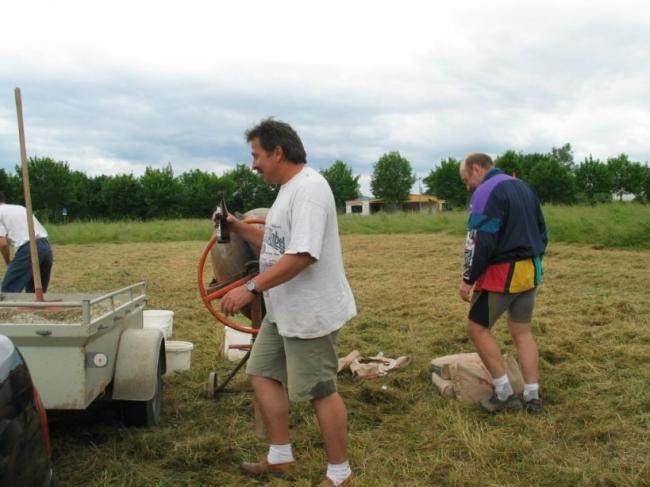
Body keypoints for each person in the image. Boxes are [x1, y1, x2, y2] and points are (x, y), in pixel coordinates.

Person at [219, 119, 357, 486]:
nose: (254, 164)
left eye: (257, 155)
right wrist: (235, 226)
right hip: (283, 311)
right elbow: (276, 243)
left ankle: (340, 474)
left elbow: (302, 255)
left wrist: (250, 287)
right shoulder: (287, 189)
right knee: (261, 372)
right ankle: (281, 457)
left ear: (278, 152)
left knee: (319, 391)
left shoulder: (309, 190)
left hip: (310, 313)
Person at [458, 153, 547, 414]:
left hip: (501, 275)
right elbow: (543, 231)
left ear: (477, 168)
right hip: (530, 271)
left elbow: (480, 239)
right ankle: (532, 397)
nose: (468, 187)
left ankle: (504, 393)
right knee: (522, 332)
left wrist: (467, 278)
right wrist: (534, 260)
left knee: (477, 329)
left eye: (466, 180)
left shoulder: (486, 190)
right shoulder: (524, 187)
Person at [0, 192, 53, 293]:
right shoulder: (20, 208)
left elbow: (2, 244)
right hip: (45, 247)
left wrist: (8, 263)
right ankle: (35, 308)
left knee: (8, 290)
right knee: (35, 293)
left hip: (28, 249)